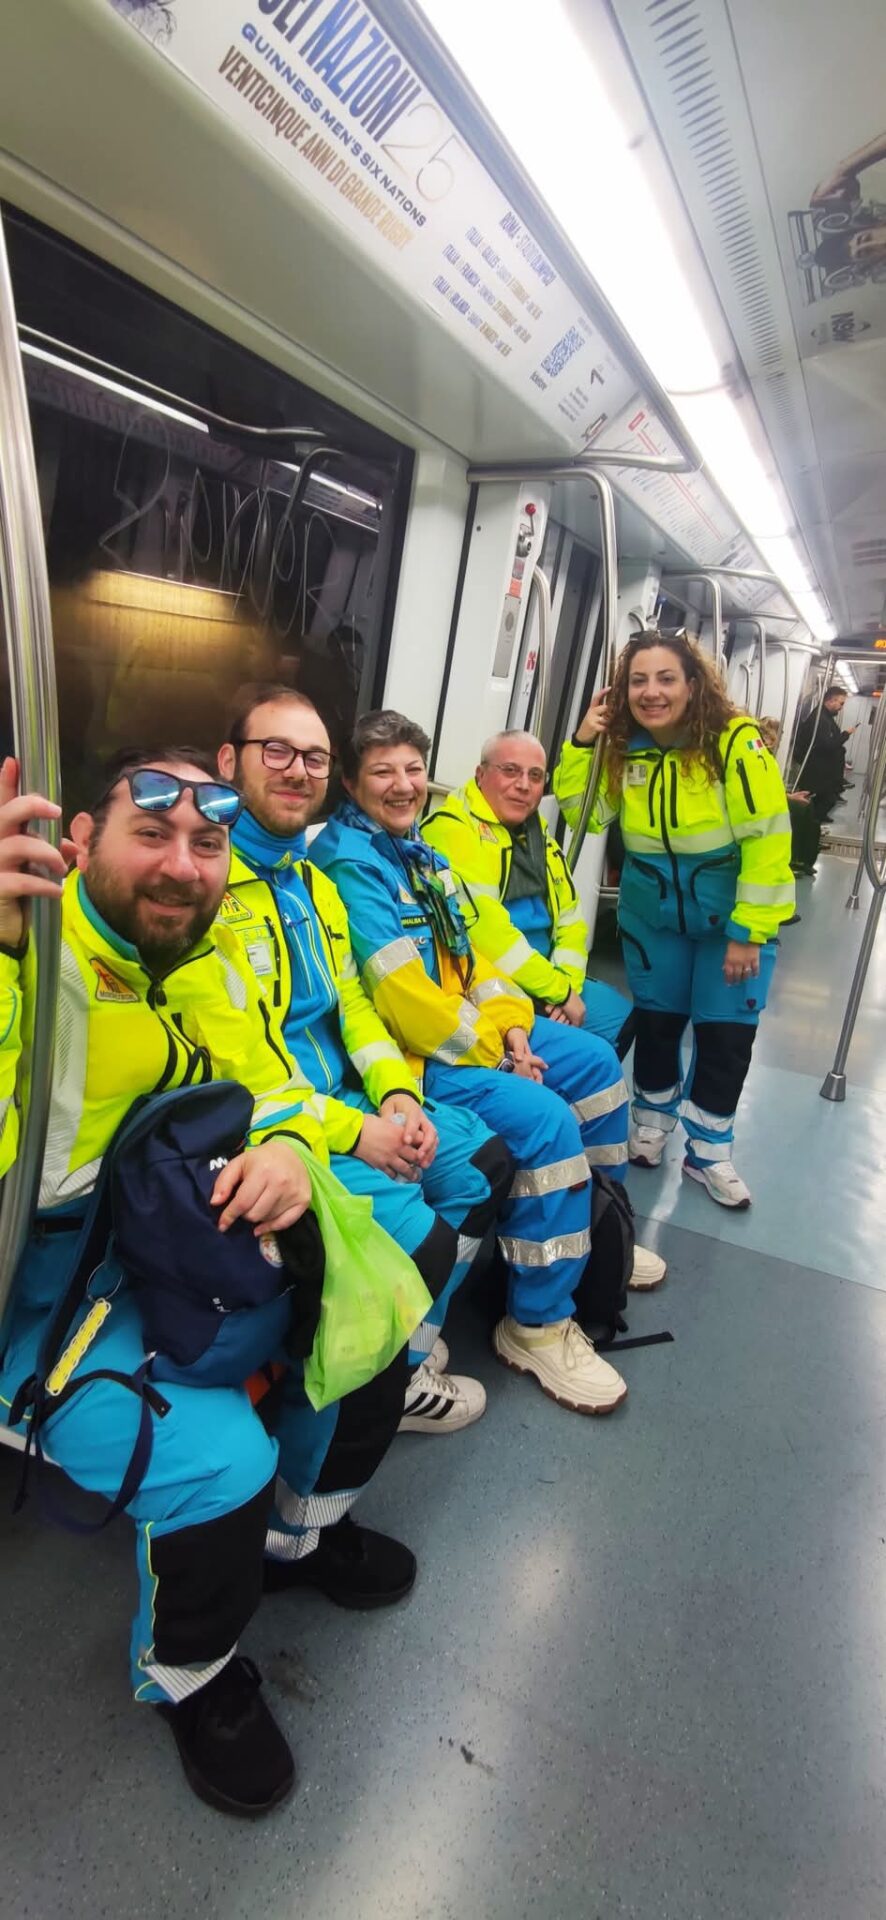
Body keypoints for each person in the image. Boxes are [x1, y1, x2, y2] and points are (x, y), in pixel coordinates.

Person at [0, 748, 418, 1818]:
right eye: (153, 834)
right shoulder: (30, 962)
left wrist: (284, 1152)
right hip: (25, 1302)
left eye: (208, 841)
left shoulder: (175, 965)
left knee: (366, 1298)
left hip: (126, 1244)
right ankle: (190, 1675)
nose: (185, 866)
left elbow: (243, 1085)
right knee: (217, 1456)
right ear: (79, 843)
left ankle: (295, 1537)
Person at [311, 710, 668, 1422]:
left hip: (477, 1035)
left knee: (597, 1066)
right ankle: (536, 1322)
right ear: (351, 783)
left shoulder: (423, 856)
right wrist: (497, 1053)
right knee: (542, 1122)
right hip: (416, 1056)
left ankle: (599, 1235)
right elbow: (403, 998)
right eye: (382, 771)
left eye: (413, 768)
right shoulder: (350, 864)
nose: (403, 784)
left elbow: (479, 958)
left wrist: (513, 1033)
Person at [216, 683, 513, 1436]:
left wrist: (395, 1097)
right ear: (230, 762)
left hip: (351, 1100)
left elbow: (351, 1005)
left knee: (485, 1170)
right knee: (432, 1242)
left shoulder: (312, 882)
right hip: (278, 1126)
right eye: (275, 751)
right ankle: (368, 1388)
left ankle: (405, 1356)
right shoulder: (207, 887)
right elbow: (237, 1061)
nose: (298, 770)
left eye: (313, 756)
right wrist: (355, 1131)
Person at [555, 632, 795, 1208]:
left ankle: (710, 1150)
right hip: (652, 914)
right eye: (638, 680)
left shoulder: (734, 745)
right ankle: (652, 1122)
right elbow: (583, 814)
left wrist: (748, 933)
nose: (651, 692)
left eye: (666, 679)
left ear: (693, 684)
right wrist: (584, 740)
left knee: (725, 1035)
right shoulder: (622, 747)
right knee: (659, 1026)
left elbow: (767, 840)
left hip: (726, 921)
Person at [422, 728, 631, 1050]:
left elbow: (571, 920)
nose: (523, 785)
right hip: (492, 981)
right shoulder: (453, 830)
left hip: (548, 977)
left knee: (628, 1020)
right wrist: (559, 993)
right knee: (592, 1052)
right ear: (480, 775)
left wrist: (566, 985)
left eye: (535, 776)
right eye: (510, 771)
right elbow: (489, 937)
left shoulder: (536, 834)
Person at [792, 688, 854, 826]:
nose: (841, 707)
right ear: (831, 700)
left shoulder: (825, 717)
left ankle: (814, 826)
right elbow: (827, 745)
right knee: (826, 799)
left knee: (824, 799)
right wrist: (845, 735)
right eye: (841, 703)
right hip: (816, 767)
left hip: (821, 766)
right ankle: (811, 826)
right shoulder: (820, 719)